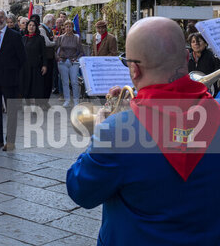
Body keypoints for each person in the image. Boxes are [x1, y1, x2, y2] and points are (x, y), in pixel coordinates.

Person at [67, 16, 220, 245]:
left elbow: (81, 191)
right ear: (187, 57)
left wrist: (100, 132)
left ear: (134, 69)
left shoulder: (116, 133)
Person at [0, 9, 26, 151]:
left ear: (5, 18)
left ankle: (11, 141)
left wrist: (14, 74)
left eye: (1, 17)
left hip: (10, 79)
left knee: (11, 111)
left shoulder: (15, 36)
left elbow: (22, 58)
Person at [56, 20, 84, 107]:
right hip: (63, 62)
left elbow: (81, 51)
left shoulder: (76, 37)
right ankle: (67, 100)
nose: (68, 28)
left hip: (73, 62)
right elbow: (55, 50)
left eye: (70, 27)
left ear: (73, 27)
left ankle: (76, 100)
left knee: (74, 81)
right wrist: (58, 58)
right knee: (64, 82)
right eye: (67, 26)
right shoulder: (60, 38)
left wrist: (76, 59)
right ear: (64, 27)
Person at [20, 19, 47, 99]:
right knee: (26, 87)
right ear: (27, 27)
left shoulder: (40, 38)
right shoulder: (23, 38)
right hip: (25, 67)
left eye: (33, 25)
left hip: (36, 67)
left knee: (36, 89)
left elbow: (44, 53)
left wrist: (45, 65)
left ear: (36, 27)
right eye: (29, 25)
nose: (31, 27)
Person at [39, 14, 57, 99]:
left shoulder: (48, 29)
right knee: (45, 81)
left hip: (50, 57)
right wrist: (55, 41)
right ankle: (43, 101)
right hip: (46, 58)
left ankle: (46, 101)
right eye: (53, 21)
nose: (54, 23)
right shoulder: (42, 29)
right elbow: (47, 43)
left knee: (49, 81)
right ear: (49, 22)